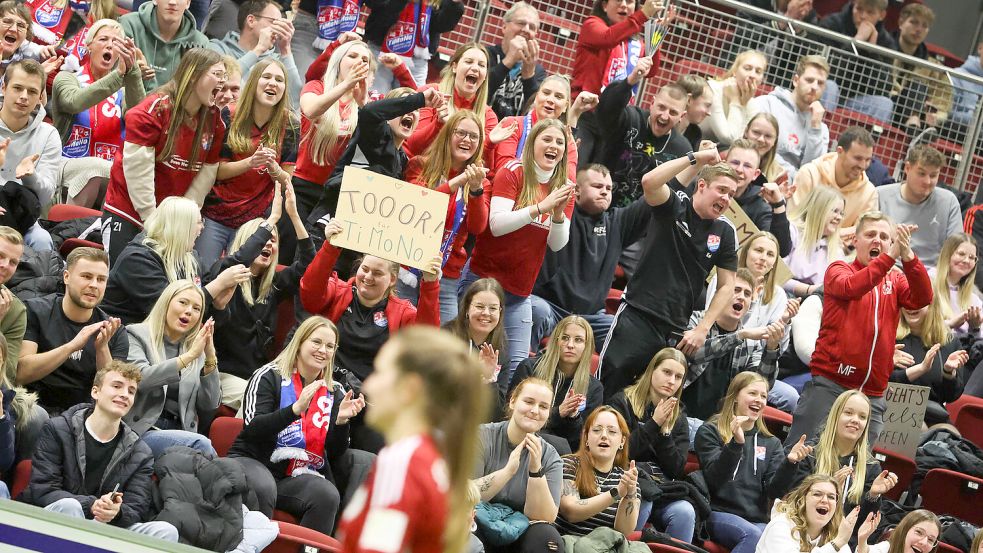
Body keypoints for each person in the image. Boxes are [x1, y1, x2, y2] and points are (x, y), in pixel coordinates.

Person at [597, 150, 739, 401]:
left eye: (731, 194)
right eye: (722, 190)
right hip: (638, 315)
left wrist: (702, 329)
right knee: (608, 390)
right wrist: (696, 157)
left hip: (674, 330)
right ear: (702, 186)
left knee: (649, 403)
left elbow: (727, 286)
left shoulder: (725, 232)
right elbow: (649, 182)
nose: (726, 198)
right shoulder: (676, 205)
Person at [784, 212, 933, 447]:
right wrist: (890, 257)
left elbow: (923, 297)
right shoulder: (839, 269)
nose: (878, 240)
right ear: (855, 240)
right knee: (800, 455)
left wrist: (909, 256)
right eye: (870, 234)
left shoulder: (895, 279)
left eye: (885, 237)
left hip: (872, 395)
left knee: (854, 470)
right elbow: (852, 288)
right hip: (831, 385)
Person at [337, 326, 489, 553]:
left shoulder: (403, 461)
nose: (368, 385)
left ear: (409, 389)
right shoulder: (423, 455)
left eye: (379, 372)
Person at [228, 316, 365, 535]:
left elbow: (335, 452)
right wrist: (294, 410)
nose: (323, 350)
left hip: (296, 474)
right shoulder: (268, 375)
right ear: (300, 342)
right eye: (316, 342)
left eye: (330, 346)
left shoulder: (334, 391)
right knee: (263, 486)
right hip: (254, 461)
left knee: (327, 495)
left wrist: (341, 422)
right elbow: (252, 429)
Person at [459, 118, 574, 374]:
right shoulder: (512, 171)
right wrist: (540, 208)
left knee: (516, 368)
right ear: (532, 142)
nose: (553, 145)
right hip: (482, 281)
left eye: (559, 141)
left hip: (519, 294)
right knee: (462, 359)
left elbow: (557, 244)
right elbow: (497, 225)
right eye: (547, 139)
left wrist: (556, 215)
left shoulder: (565, 188)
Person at [19, 361, 179, 542]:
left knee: (165, 531)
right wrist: (91, 505)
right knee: (70, 506)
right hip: (55, 520)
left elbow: (137, 508)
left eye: (131, 391)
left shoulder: (141, 452)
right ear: (95, 392)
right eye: (117, 386)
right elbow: (44, 489)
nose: (124, 395)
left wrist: (117, 512)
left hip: (106, 526)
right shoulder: (57, 429)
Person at [101, 48, 227, 261]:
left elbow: (206, 175)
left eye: (225, 76)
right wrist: (154, 221)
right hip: (129, 211)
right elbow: (137, 172)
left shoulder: (214, 120)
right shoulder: (153, 110)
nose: (222, 82)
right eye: (217, 74)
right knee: (116, 278)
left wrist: (182, 219)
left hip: (170, 223)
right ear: (193, 74)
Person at [300, 219, 441, 388]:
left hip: (372, 398)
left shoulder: (403, 312)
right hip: (325, 386)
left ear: (392, 279)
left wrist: (430, 284)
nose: (367, 277)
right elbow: (309, 295)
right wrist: (330, 247)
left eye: (377, 273)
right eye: (365, 269)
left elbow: (427, 341)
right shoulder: (338, 291)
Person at [209, 184, 314, 409]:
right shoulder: (226, 273)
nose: (269, 243)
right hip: (221, 375)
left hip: (256, 378)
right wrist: (274, 217)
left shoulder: (274, 284)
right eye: (263, 237)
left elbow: (309, 266)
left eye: (274, 240)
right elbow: (238, 259)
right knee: (263, 401)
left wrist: (294, 217)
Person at [530, 164, 648, 352]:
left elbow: (654, 196)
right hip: (550, 308)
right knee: (534, 310)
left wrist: (695, 162)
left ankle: (600, 382)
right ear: (576, 191)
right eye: (597, 186)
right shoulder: (559, 212)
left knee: (623, 331)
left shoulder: (617, 223)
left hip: (591, 318)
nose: (604, 192)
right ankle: (519, 371)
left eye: (608, 188)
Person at [196, 58, 299, 269]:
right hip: (216, 214)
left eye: (279, 80)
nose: (273, 83)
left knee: (237, 280)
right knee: (203, 272)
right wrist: (251, 162)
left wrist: (274, 169)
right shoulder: (229, 114)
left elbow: (287, 180)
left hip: (252, 221)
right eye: (267, 77)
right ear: (253, 82)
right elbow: (216, 172)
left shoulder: (290, 125)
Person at [284, 39, 372, 263]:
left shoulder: (369, 102)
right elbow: (311, 110)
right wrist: (346, 85)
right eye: (352, 56)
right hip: (301, 187)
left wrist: (364, 105)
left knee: (315, 263)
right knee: (286, 256)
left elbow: (380, 148)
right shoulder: (316, 86)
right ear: (338, 61)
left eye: (365, 60)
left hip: (337, 196)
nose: (359, 62)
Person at [401, 109, 489, 322]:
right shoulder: (420, 165)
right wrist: (454, 184)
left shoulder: (480, 180)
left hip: (445, 275)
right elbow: (418, 205)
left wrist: (476, 190)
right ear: (448, 135)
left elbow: (478, 227)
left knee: (443, 344)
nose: (467, 140)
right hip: (406, 266)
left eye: (474, 137)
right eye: (461, 133)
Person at [102, 197, 248, 325]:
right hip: (123, 340)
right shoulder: (137, 259)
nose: (202, 227)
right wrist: (218, 284)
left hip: (165, 343)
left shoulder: (191, 258)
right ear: (181, 227)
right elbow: (168, 312)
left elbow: (208, 322)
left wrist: (218, 306)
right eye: (198, 222)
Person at [17, 248, 128, 416]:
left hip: (83, 414)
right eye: (86, 276)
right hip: (36, 405)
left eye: (101, 279)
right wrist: (71, 346)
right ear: (66, 277)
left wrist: (102, 348)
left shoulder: (114, 330)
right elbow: (21, 373)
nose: (93, 285)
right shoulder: (34, 311)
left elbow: (114, 390)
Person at [49, 19, 145, 208]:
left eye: (116, 42)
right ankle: (66, 227)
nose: (109, 45)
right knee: (97, 168)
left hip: (111, 169)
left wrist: (133, 71)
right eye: (103, 39)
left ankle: (104, 234)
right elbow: (75, 101)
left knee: (125, 176)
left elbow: (140, 120)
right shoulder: (66, 78)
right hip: (66, 163)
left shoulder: (124, 92)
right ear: (89, 46)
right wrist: (118, 76)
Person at [770, 390, 898, 530]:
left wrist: (873, 496)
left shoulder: (871, 467)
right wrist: (791, 464)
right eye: (848, 413)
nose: (855, 420)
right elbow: (777, 493)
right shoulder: (810, 452)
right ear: (835, 416)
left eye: (862, 417)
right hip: (801, 531)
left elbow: (860, 527)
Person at [606, 347, 696, 542]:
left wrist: (664, 434)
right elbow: (619, 453)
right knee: (641, 499)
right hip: (624, 481)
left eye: (678, 377)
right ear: (651, 370)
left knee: (685, 512)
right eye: (666, 372)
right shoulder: (622, 402)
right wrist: (653, 424)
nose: (671, 381)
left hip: (661, 488)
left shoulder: (679, 417)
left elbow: (676, 470)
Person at [123, 280, 219, 458]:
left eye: (197, 308)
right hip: (142, 430)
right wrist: (188, 357)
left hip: (181, 430)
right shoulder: (135, 334)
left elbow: (210, 405)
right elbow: (140, 379)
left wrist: (210, 357)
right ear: (166, 303)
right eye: (183, 302)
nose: (189, 311)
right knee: (202, 446)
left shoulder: (196, 349)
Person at [695, 372, 786, 553]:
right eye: (753, 393)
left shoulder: (772, 443)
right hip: (717, 512)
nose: (759, 400)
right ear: (736, 396)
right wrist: (736, 444)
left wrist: (790, 465)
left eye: (763, 396)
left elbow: (774, 490)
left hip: (756, 519)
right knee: (754, 536)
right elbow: (715, 479)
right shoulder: (711, 431)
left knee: (778, 541)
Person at [471, 377, 564, 552]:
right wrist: (507, 472)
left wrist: (536, 471)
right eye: (529, 402)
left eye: (543, 406)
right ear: (513, 401)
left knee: (547, 538)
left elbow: (545, 517)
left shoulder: (551, 457)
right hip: (478, 521)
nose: (535, 411)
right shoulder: (481, 436)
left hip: (519, 529)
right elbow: (466, 495)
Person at [683, 268, 787, 420]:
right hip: (679, 415)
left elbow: (761, 385)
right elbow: (692, 353)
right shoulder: (696, 321)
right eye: (736, 290)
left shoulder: (752, 343)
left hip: (718, 426)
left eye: (747, 293)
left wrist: (771, 349)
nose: (741, 297)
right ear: (721, 293)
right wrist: (739, 336)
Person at [509, 316, 604, 453]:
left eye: (578, 340)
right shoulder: (529, 368)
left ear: (586, 347)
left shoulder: (594, 388)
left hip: (563, 455)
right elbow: (511, 413)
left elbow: (582, 442)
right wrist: (558, 413)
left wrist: (573, 418)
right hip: (521, 439)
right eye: (565, 338)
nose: (570, 345)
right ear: (556, 341)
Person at [592, 79, 691, 211]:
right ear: (652, 103)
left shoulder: (682, 150)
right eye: (661, 107)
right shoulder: (630, 118)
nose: (665, 116)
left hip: (639, 221)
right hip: (599, 205)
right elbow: (606, 109)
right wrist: (629, 82)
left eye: (673, 112)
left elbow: (677, 196)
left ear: (681, 116)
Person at [0, 59, 62, 252]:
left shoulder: (48, 134)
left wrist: (30, 177)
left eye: (32, 91)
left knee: (42, 240)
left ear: (41, 96)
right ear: (3, 87)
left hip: (21, 214)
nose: (24, 97)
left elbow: (45, 197)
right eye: (17, 88)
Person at [403, 42, 499, 160]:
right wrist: (438, 124)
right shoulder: (430, 93)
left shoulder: (489, 116)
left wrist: (490, 144)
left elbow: (485, 167)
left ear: (485, 76)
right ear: (454, 67)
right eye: (468, 62)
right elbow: (411, 146)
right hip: (418, 170)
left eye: (481, 65)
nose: (475, 68)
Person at [556, 406, 641, 537]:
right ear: (586, 438)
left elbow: (623, 531)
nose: (604, 436)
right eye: (596, 430)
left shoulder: (627, 477)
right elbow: (570, 511)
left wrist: (630, 494)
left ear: (622, 441)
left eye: (612, 432)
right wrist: (616, 493)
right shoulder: (569, 464)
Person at [748, 55, 830, 181]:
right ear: (796, 80)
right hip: (760, 176)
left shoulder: (821, 129)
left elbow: (812, 172)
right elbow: (752, 147)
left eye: (820, 83)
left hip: (794, 189)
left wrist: (815, 129)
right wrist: (791, 175)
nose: (814, 87)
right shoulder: (767, 104)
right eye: (809, 80)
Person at [790, 126, 878, 245]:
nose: (863, 166)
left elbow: (862, 238)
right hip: (799, 243)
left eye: (868, 160)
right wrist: (842, 233)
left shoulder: (869, 193)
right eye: (858, 158)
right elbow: (794, 220)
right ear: (840, 151)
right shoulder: (810, 174)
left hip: (841, 255)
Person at [878, 145, 961, 269]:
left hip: (931, 275)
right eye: (921, 173)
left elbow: (957, 249)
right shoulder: (880, 195)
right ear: (907, 168)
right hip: (889, 268)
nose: (927, 181)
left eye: (933, 175)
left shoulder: (949, 202)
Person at [816, 0, 897, 124]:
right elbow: (824, 71)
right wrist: (857, 42)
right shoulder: (831, 24)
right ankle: (820, 135)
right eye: (859, 9)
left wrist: (872, 51)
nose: (863, 16)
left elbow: (883, 88)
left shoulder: (886, 42)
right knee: (829, 86)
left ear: (881, 15)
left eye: (870, 12)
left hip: (856, 101)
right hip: (829, 93)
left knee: (884, 104)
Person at [208, 0, 303, 105]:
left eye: (281, 24)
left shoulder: (277, 60)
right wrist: (258, 49)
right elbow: (222, 83)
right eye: (274, 22)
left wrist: (286, 49)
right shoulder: (217, 49)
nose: (278, 30)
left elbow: (294, 99)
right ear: (251, 21)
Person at [362, 0, 464, 95]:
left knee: (411, 105)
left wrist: (453, 4)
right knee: (373, 98)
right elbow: (372, 3)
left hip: (417, 57)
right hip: (380, 48)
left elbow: (441, 25)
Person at [571, 0, 666, 98]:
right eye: (618, 0)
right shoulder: (591, 24)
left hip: (615, 107)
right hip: (584, 106)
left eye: (629, 1)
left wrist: (654, 36)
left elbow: (650, 71)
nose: (624, 5)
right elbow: (608, 38)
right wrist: (643, 14)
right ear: (604, 5)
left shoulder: (634, 42)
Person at [894, 301, 969, 426]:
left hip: (934, 415)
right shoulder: (889, 336)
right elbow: (882, 383)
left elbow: (952, 396)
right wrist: (921, 369)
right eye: (907, 301)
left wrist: (948, 372)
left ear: (931, 304)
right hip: (895, 411)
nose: (911, 306)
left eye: (919, 300)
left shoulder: (949, 342)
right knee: (920, 429)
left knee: (950, 438)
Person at [443, 277, 508, 415]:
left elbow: (497, 413)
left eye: (493, 308)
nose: (486, 313)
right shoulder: (448, 337)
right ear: (467, 308)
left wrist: (488, 380)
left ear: (500, 312)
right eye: (479, 306)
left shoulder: (500, 347)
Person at [755, 474, 860, 553]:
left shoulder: (835, 535)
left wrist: (862, 542)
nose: (825, 500)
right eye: (817, 494)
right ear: (802, 500)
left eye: (831, 497)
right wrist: (836, 545)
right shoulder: (781, 525)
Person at [120, 0, 210, 91]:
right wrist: (133, 75)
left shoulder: (200, 44)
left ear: (188, 3)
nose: (172, 2)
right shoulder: (128, 25)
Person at [722, 139, 792, 256]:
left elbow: (781, 250)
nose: (739, 169)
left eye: (747, 166)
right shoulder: (705, 185)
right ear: (724, 164)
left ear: (756, 174)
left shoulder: (760, 207)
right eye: (735, 162)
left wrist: (778, 204)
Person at [888, 4, 953, 130]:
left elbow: (942, 103)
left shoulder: (934, 67)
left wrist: (933, 113)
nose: (919, 29)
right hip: (886, 104)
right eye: (914, 22)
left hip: (920, 116)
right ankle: (913, 123)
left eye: (925, 26)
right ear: (901, 22)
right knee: (917, 87)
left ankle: (914, 123)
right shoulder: (883, 48)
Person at [485, 2, 546, 120]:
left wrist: (529, 76)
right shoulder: (485, 55)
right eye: (521, 23)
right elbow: (476, 92)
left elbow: (536, 113)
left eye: (532, 27)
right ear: (504, 27)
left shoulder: (538, 72)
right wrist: (508, 61)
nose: (526, 30)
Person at [783, 186, 846, 298]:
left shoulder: (836, 251)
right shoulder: (791, 232)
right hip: (784, 296)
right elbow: (776, 276)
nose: (839, 218)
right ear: (819, 209)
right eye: (835, 211)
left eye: (842, 213)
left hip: (815, 302)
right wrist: (809, 290)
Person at [701, 50, 768, 147]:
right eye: (747, 68)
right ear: (735, 71)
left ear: (762, 79)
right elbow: (728, 138)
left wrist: (743, 104)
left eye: (758, 71)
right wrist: (735, 102)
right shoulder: (713, 90)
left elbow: (744, 143)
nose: (752, 75)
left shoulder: (753, 105)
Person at [931, 233, 983, 337]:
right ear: (947, 254)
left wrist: (975, 328)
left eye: (972, 257)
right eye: (961, 254)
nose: (966, 260)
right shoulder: (928, 282)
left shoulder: (975, 299)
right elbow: (919, 328)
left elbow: (979, 342)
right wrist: (950, 324)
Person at [0, 227, 26, 383]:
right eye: (0, 256)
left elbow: (8, 374)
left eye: (13, 262)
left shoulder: (16, 310)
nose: (5, 265)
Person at [855, 510, 940, 553]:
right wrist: (862, 540)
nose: (924, 542)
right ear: (905, 530)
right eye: (919, 532)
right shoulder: (886, 548)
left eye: (931, 540)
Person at [743, 113, 786, 186]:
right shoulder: (726, 158)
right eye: (756, 132)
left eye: (768, 136)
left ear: (775, 141)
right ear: (746, 132)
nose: (761, 139)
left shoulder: (779, 175)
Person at [950, 38, 983, 129]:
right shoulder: (958, 75)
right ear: (980, 48)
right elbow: (945, 112)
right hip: (959, 133)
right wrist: (974, 119)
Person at [675, 74, 712, 150]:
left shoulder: (695, 133)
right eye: (707, 105)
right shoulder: (662, 125)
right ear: (689, 100)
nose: (709, 113)